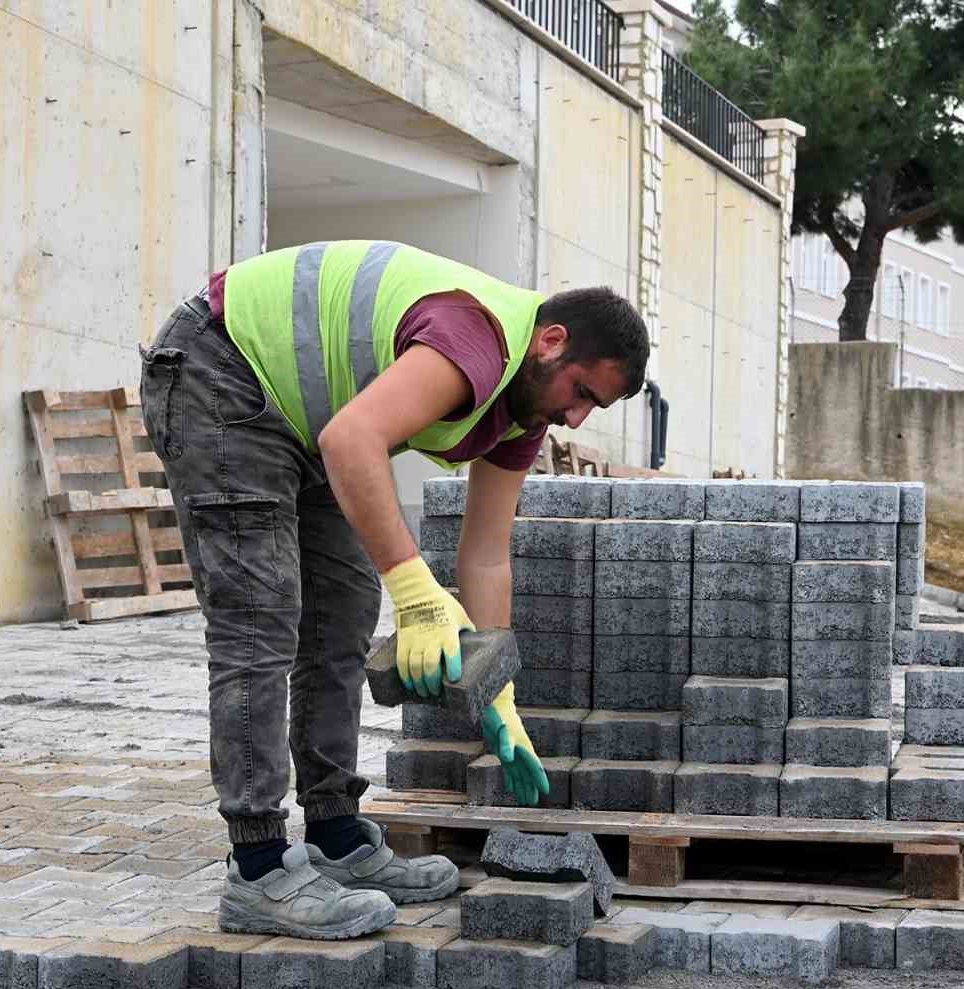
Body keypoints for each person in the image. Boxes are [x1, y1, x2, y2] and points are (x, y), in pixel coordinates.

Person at [139, 240, 650, 940]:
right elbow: (354, 440)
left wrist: (495, 687)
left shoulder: (521, 409)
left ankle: (335, 835)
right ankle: (257, 866)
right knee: (260, 617)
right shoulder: (479, 341)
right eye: (583, 393)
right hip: (218, 368)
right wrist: (413, 588)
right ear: (552, 343)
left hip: (300, 417)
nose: (578, 418)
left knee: (342, 610)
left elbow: (486, 554)